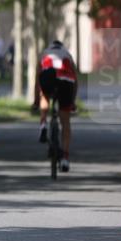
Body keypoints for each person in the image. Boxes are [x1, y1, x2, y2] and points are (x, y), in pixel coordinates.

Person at [37, 39, 78, 172]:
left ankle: (43, 123)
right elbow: (75, 81)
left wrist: (35, 100)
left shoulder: (44, 53)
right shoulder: (67, 55)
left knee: (44, 95)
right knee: (65, 121)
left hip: (48, 76)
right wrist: (72, 101)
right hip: (66, 80)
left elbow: (38, 79)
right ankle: (65, 158)